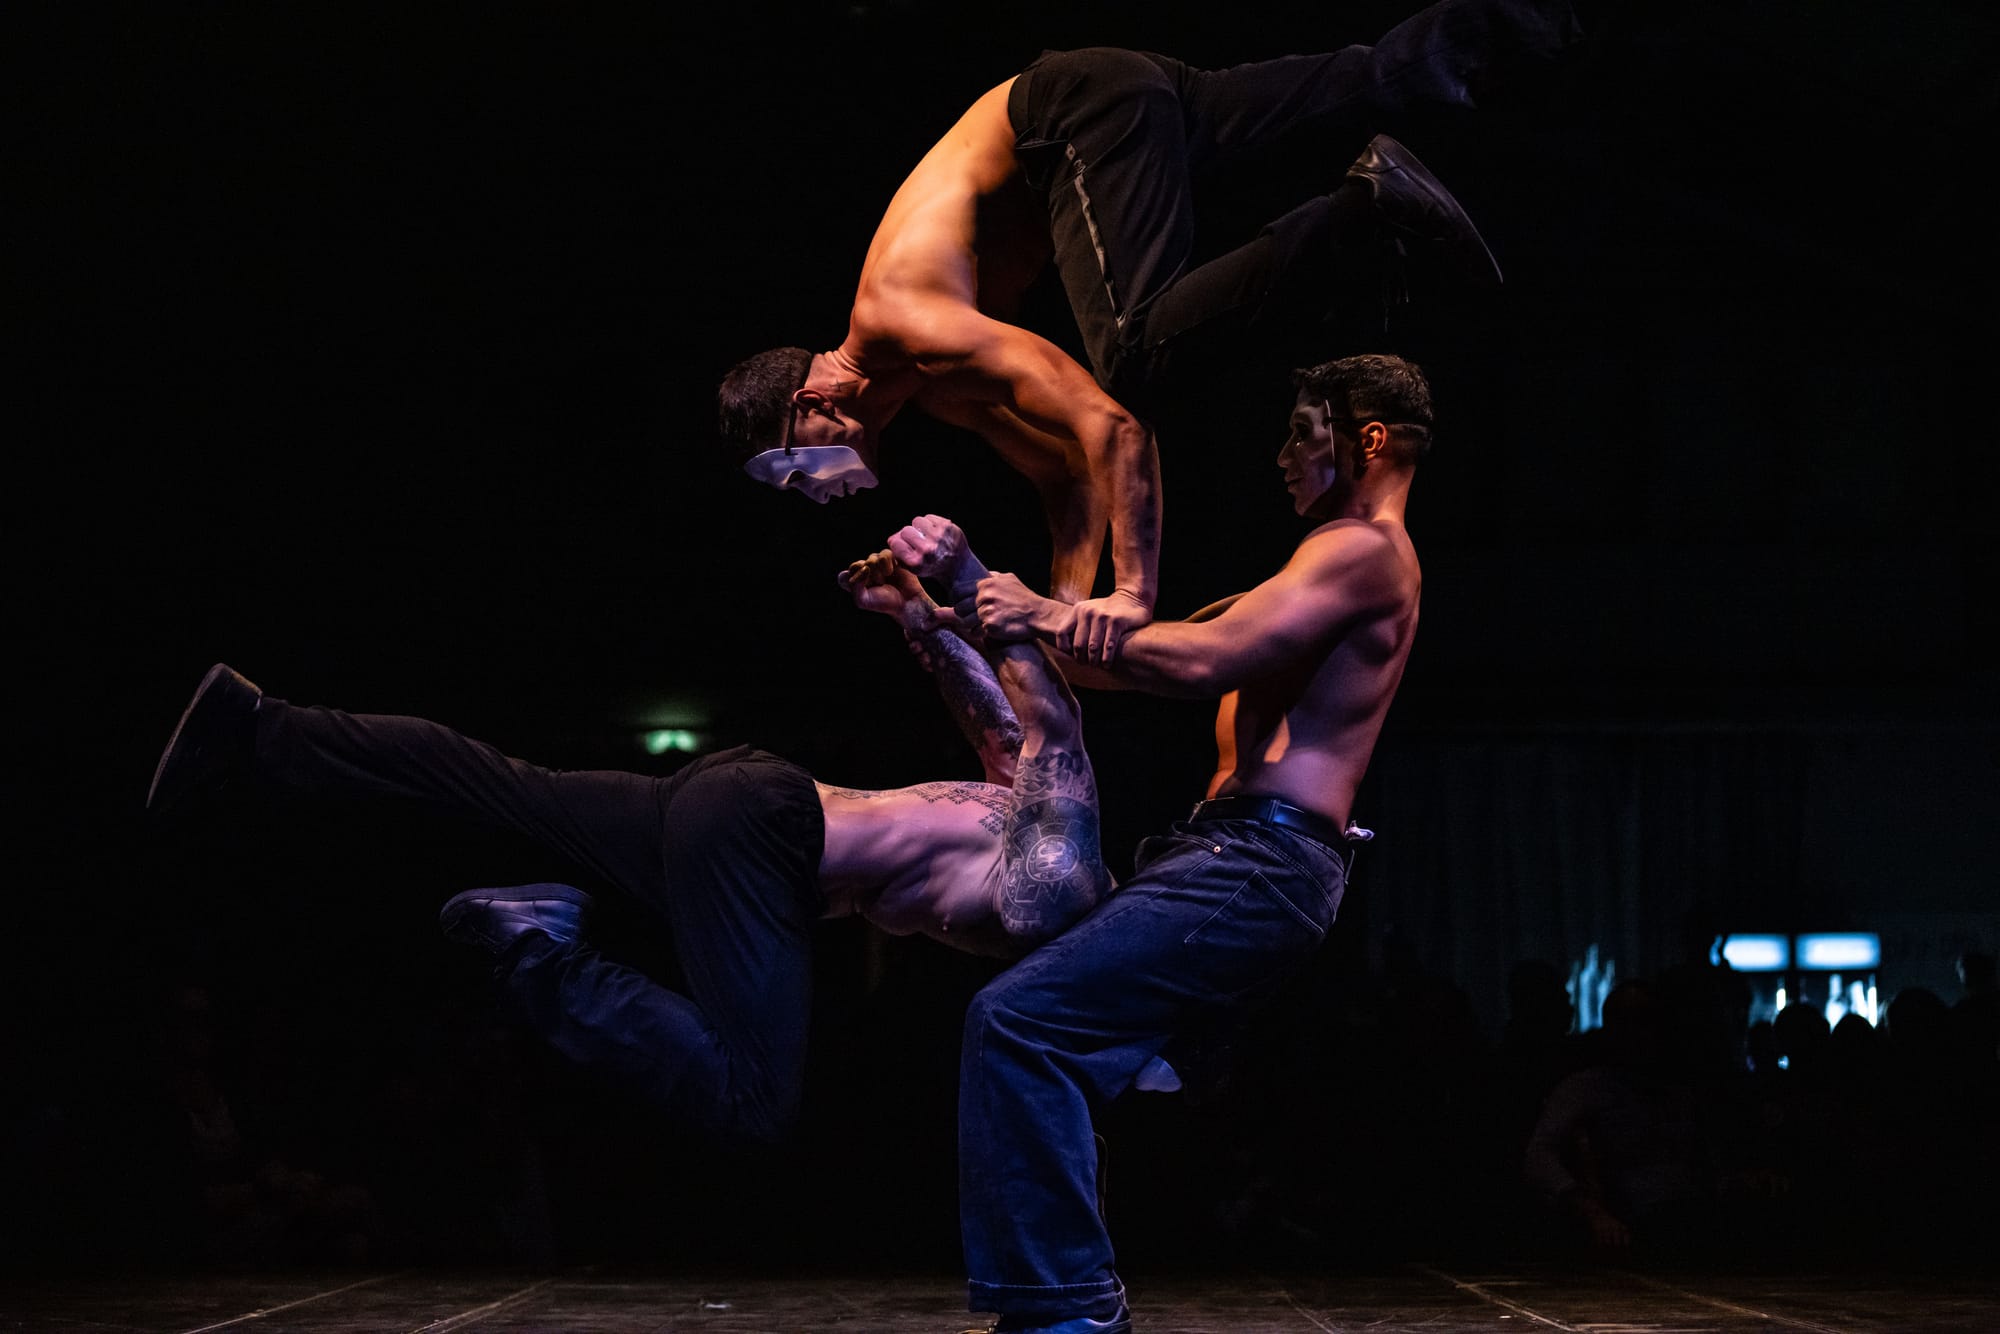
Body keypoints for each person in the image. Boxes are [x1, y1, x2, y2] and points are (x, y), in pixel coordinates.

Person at [143, 521, 1111, 1149]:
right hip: (762, 846)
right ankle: (535, 947)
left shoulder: (1020, 829)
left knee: (496, 783)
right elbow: (1051, 728)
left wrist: (917, 623)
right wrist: (963, 576)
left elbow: (1002, 737)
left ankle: (259, 725)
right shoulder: (1060, 889)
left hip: (739, 801)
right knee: (753, 1100)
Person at [717, 0, 1585, 666]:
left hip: (1073, 117)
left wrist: (1132, 595)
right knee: (1364, 82)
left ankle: (1365, 211)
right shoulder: (935, 390)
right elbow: (1068, 469)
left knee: (1134, 359)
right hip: (1116, 103)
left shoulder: (908, 324)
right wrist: (1062, 612)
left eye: (792, 466)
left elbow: (1114, 427)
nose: (809, 492)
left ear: (813, 400)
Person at [889, 353, 1428, 1333]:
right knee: (1043, 1033)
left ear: (1369, 440)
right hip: (1224, 858)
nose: (1280, 455)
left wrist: (1029, 604)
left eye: (1300, 432)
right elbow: (1117, 660)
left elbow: (1201, 660)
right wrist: (948, 617)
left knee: (1016, 1024)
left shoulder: (1362, 552)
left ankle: (1066, 1309)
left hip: (1257, 865)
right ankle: (1071, 1277)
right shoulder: (1319, 565)